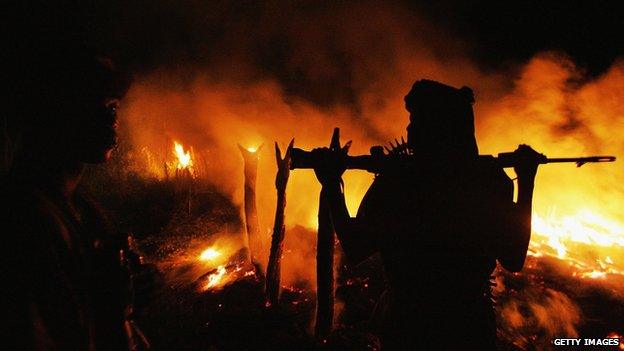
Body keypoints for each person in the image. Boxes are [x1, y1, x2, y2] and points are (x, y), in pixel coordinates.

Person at [312, 80, 544, 350]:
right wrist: (526, 181)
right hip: (470, 324)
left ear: (437, 127)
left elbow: (356, 246)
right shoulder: (489, 179)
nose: (409, 128)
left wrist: (331, 184)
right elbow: (514, 257)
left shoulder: (399, 181)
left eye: (416, 119)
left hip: (409, 322)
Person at [2, 41, 137, 350]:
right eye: (95, 105)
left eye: (113, 107)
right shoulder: (25, 220)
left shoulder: (80, 208)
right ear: (54, 112)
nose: (111, 120)